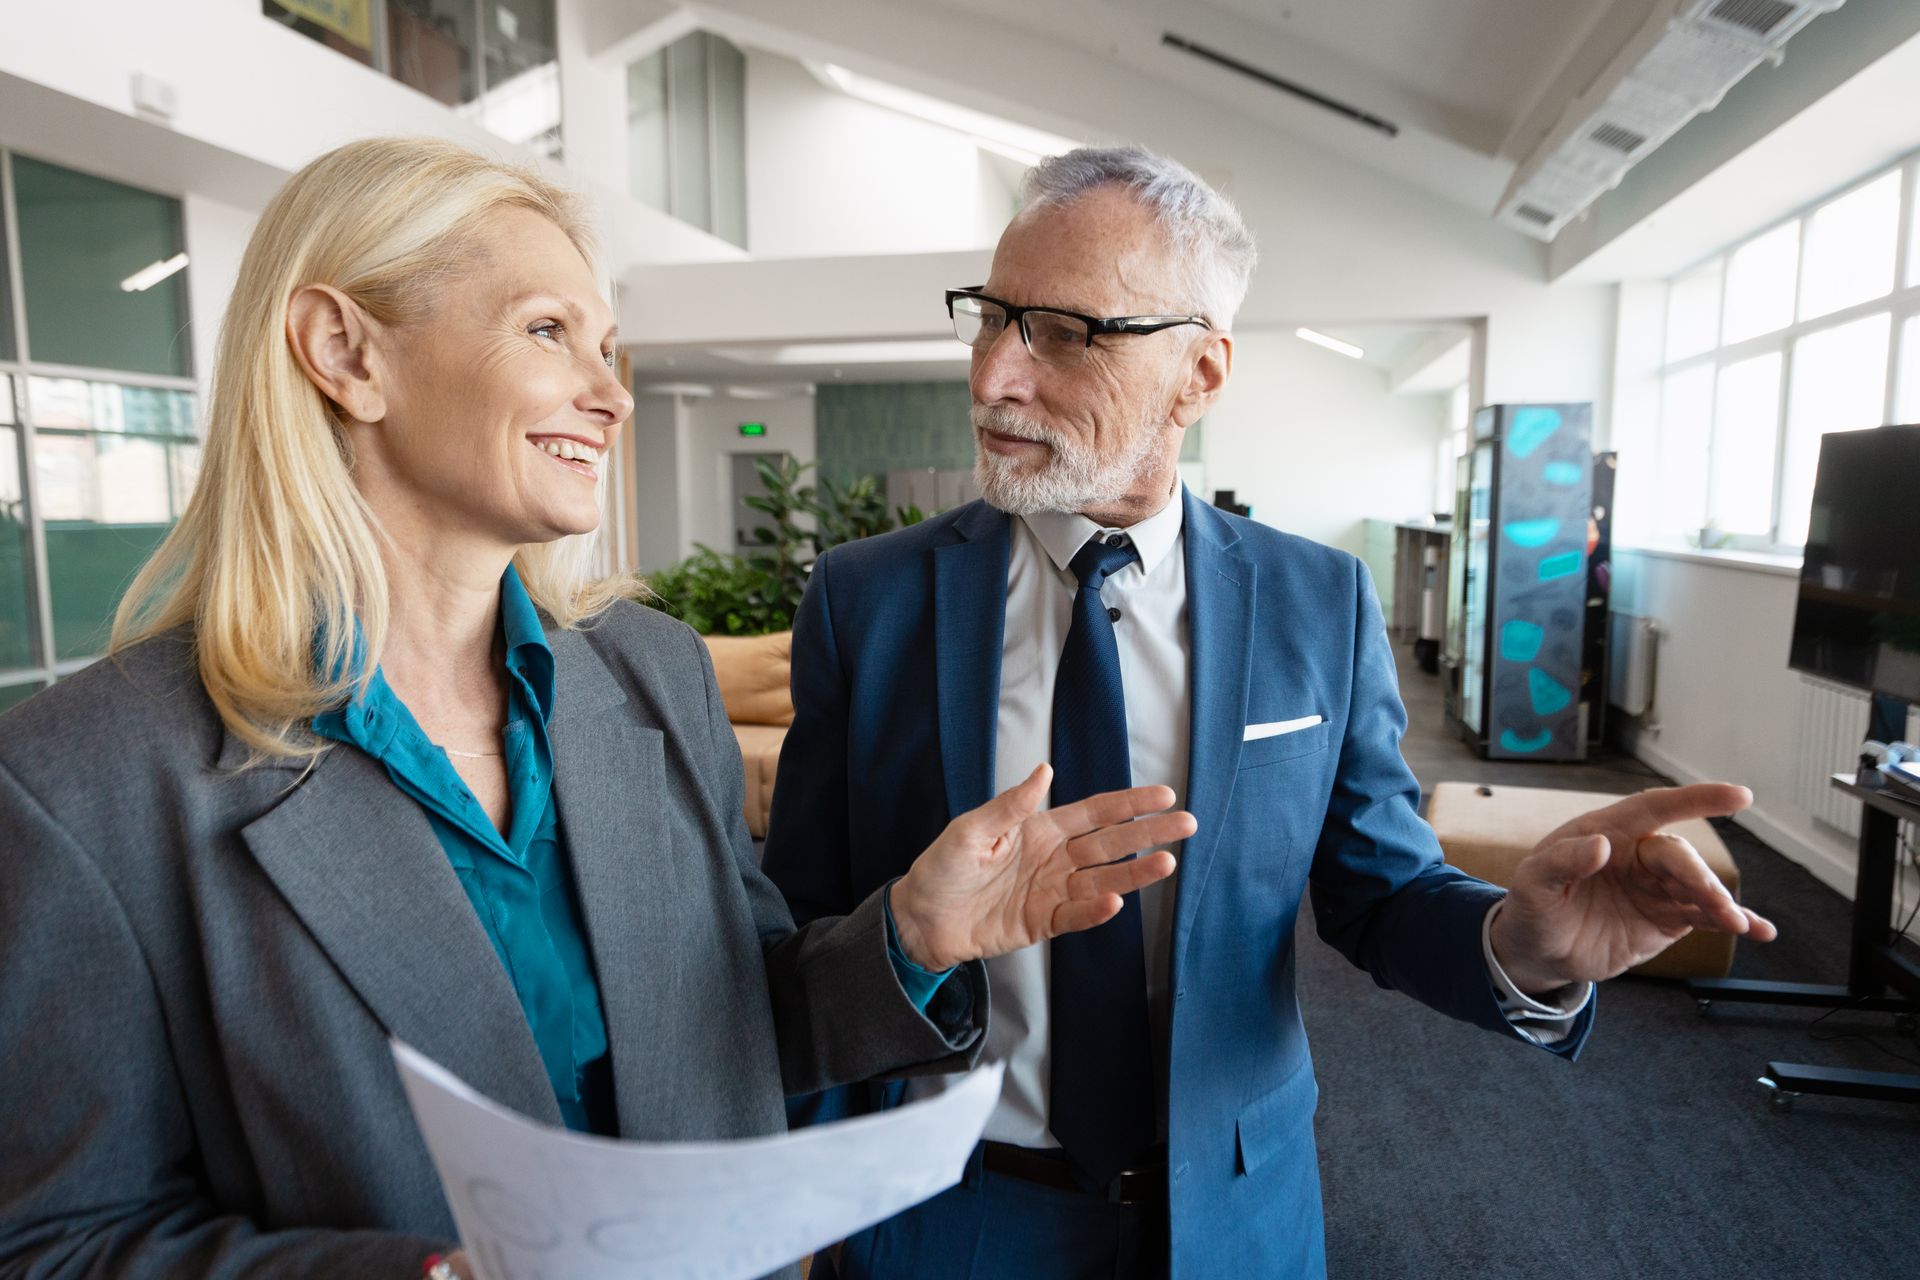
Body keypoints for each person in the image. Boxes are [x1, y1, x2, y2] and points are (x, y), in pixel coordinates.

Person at [0, 137, 1193, 1280]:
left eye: (607, 344)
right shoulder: (84, 784)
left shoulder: (646, 674)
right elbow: (56, 1239)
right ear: (343, 352)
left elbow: (728, 1034)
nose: (610, 396)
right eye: (548, 331)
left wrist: (908, 936)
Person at [760, 145, 1777, 1279]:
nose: (995, 373)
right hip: (945, 1210)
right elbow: (798, 925)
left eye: (1062, 331)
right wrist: (894, 953)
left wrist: (1523, 948)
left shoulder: (1318, 600)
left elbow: (1380, 891)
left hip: (1234, 1212)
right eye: (991, 317)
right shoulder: (870, 600)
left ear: (1200, 372)